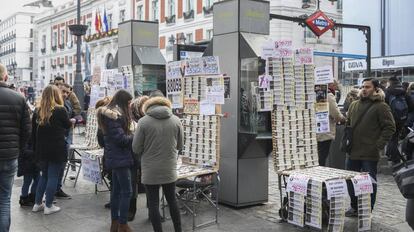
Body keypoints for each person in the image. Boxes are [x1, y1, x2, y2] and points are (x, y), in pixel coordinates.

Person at [132, 93, 183, 232]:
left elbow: (136, 148)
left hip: (150, 169)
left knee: (153, 203)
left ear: (147, 107)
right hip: (169, 168)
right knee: (172, 200)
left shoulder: (143, 122)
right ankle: (178, 230)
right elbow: (180, 145)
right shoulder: (176, 120)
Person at [345, 78, 396, 217]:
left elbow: (390, 127)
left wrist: (378, 145)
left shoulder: (381, 106)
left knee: (369, 183)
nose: (364, 89)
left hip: (369, 152)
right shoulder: (354, 105)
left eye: (367, 86)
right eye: (363, 86)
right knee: (350, 180)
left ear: (375, 89)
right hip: (353, 151)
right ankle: (354, 206)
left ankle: (367, 210)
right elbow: (348, 125)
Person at [32, 85, 74, 215]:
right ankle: (49, 205)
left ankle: (37, 203)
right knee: (53, 177)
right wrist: (72, 121)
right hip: (56, 148)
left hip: (42, 149)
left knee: (44, 176)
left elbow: (33, 133)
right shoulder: (60, 110)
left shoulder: (37, 111)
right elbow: (67, 125)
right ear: (56, 95)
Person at [97, 90, 134, 232]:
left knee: (116, 191)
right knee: (127, 191)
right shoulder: (114, 117)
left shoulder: (111, 115)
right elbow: (121, 139)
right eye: (129, 103)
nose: (130, 106)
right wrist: (133, 135)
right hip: (120, 159)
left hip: (115, 157)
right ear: (123, 101)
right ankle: (123, 224)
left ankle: (115, 222)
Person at [0, 64, 31, 231]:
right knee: (4, 199)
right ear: (6, 77)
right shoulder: (19, 98)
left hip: (10, 153)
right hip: (10, 156)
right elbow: (27, 130)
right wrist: (17, 148)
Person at [128, 96, 149, 221]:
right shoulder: (130, 120)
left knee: (150, 184)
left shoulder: (149, 119)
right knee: (133, 183)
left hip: (147, 156)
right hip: (134, 156)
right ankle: (131, 209)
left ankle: (151, 209)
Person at [316, 82, 346, 166]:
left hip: (313, 131)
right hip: (324, 132)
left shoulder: (314, 93)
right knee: (321, 158)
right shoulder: (328, 95)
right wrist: (343, 119)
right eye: (335, 85)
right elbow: (336, 114)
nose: (336, 87)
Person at [54, 83, 75, 198]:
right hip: (58, 138)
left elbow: (74, 111)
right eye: (63, 91)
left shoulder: (67, 103)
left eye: (68, 92)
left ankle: (58, 187)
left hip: (67, 136)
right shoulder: (55, 104)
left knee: (63, 164)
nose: (66, 94)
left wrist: (75, 118)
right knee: (57, 166)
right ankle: (54, 189)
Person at [385, 76, 410, 165]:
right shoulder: (403, 91)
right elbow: (410, 104)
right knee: (395, 137)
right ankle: (391, 155)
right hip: (402, 118)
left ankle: (394, 158)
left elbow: (384, 104)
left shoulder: (388, 92)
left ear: (390, 82)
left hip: (391, 117)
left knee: (392, 138)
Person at [95, 96, 112, 209]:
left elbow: (102, 142)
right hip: (111, 156)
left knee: (114, 179)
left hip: (111, 156)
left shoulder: (104, 125)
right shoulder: (105, 124)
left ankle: (115, 200)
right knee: (113, 179)